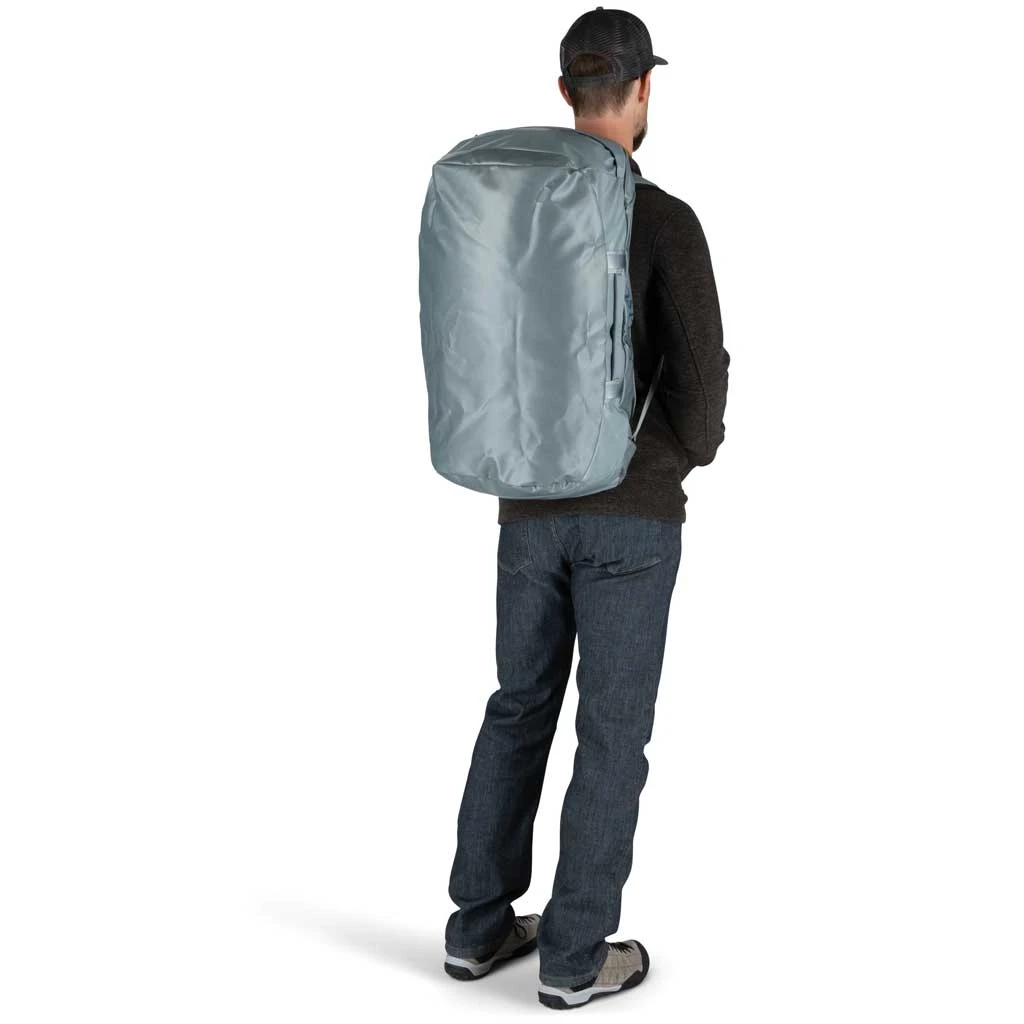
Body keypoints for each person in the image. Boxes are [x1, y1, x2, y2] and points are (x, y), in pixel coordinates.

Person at [442, 6, 730, 1011]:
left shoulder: (507, 219)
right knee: (611, 730)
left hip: (524, 506)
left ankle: (477, 929)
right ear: (645, 89)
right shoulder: (664, 220)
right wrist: (679, 457)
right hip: (630, 517)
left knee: (517, 704)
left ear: (565, 91)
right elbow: (701, 388)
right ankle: (573, 957)